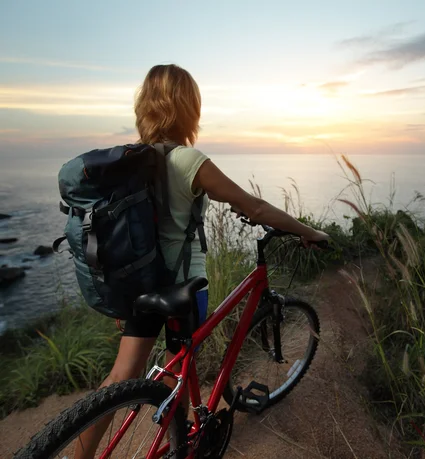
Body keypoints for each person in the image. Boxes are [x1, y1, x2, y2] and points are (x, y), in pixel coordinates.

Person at [74, 64, 329, 458]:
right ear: (189, 107)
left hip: (137, 283)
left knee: (121, 376)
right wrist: (308, 231)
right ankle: (185, 439)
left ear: (146, 106)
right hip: (182, 287)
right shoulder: (188, 161)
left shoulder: (133, 161)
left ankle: (84, 452)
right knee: (178, 369)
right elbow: (254, 205)